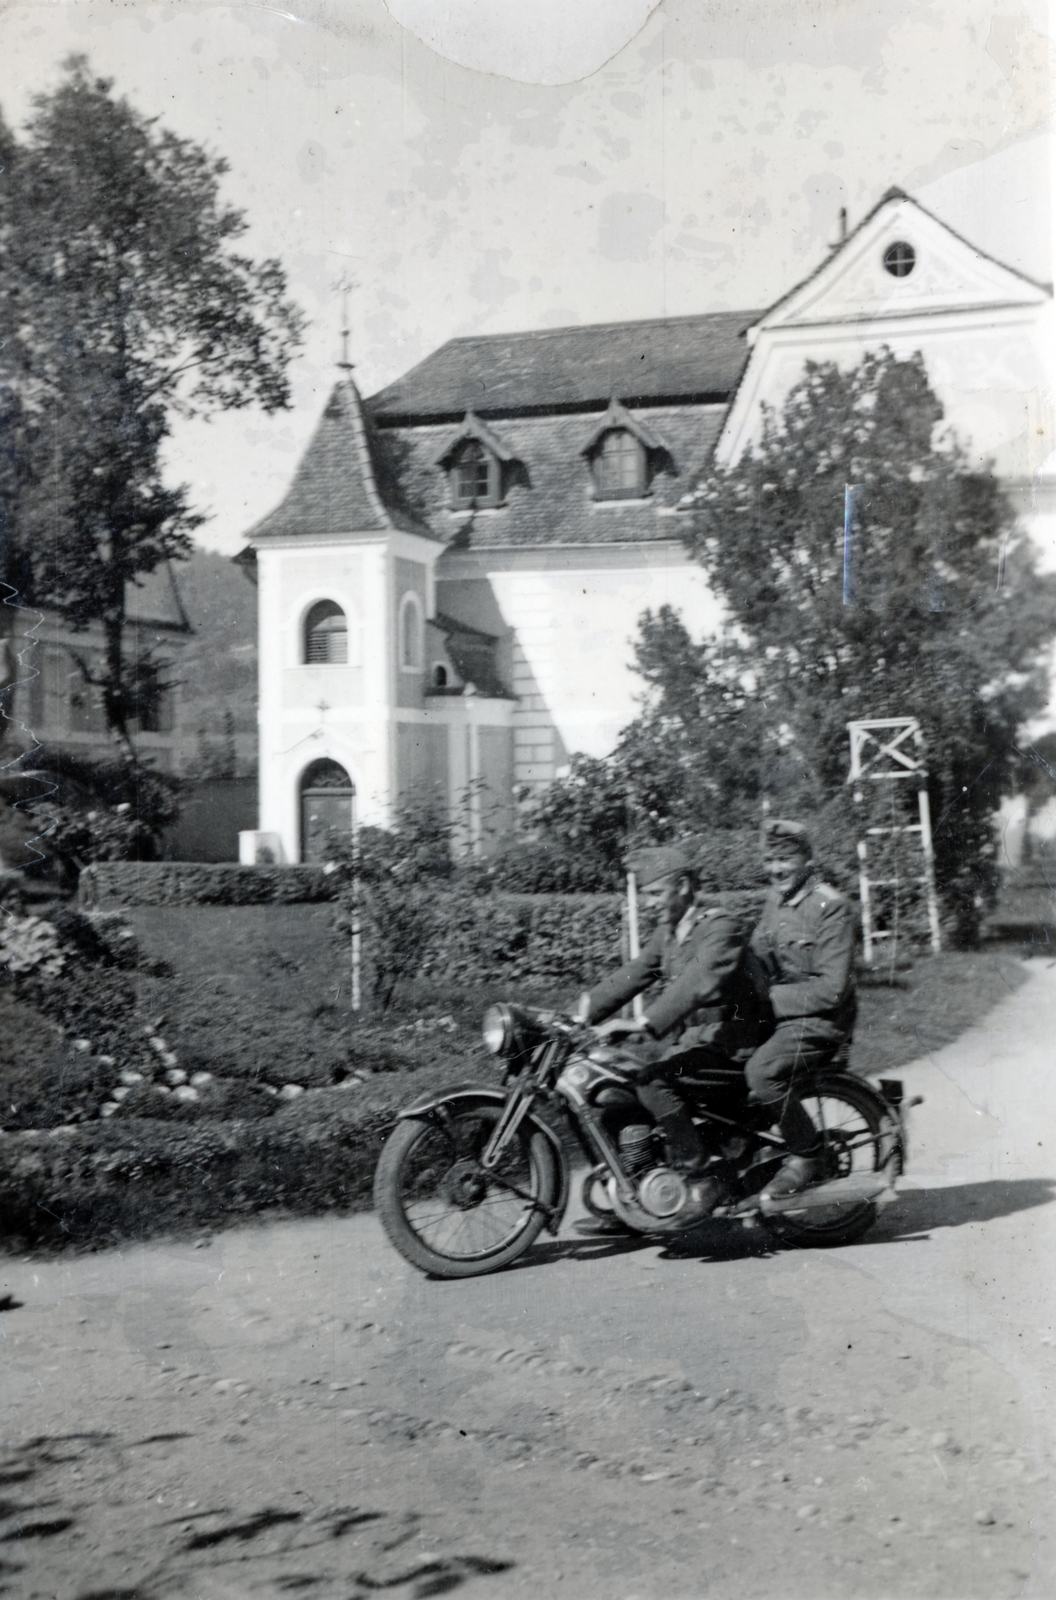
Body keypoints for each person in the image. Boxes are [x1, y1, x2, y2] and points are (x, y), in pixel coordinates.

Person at [577, 843, 772, 1185]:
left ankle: (694, 1171)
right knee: (619, 1094)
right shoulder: (669, 933)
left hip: (732, 1047)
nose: (650, 904)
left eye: (656, 893)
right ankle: (632, 1190)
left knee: (653, 1082)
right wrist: (578, 1015)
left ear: (682, 886)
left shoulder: (721, 928)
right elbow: (633, 974)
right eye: (646, 895)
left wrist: (643, 1023)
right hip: (694, 1046)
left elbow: (697, 981)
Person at [743, 819, 857, 1200]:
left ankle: (807, 1153)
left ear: (807, 858)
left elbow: (831, 990)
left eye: (785, 858)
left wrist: (766, 999)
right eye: (769, 859)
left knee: (761, 1073)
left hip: (822, 1021)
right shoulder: (775, 900)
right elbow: (758, 954)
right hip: (785, 1015)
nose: (776, 869)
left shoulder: (831, 906)